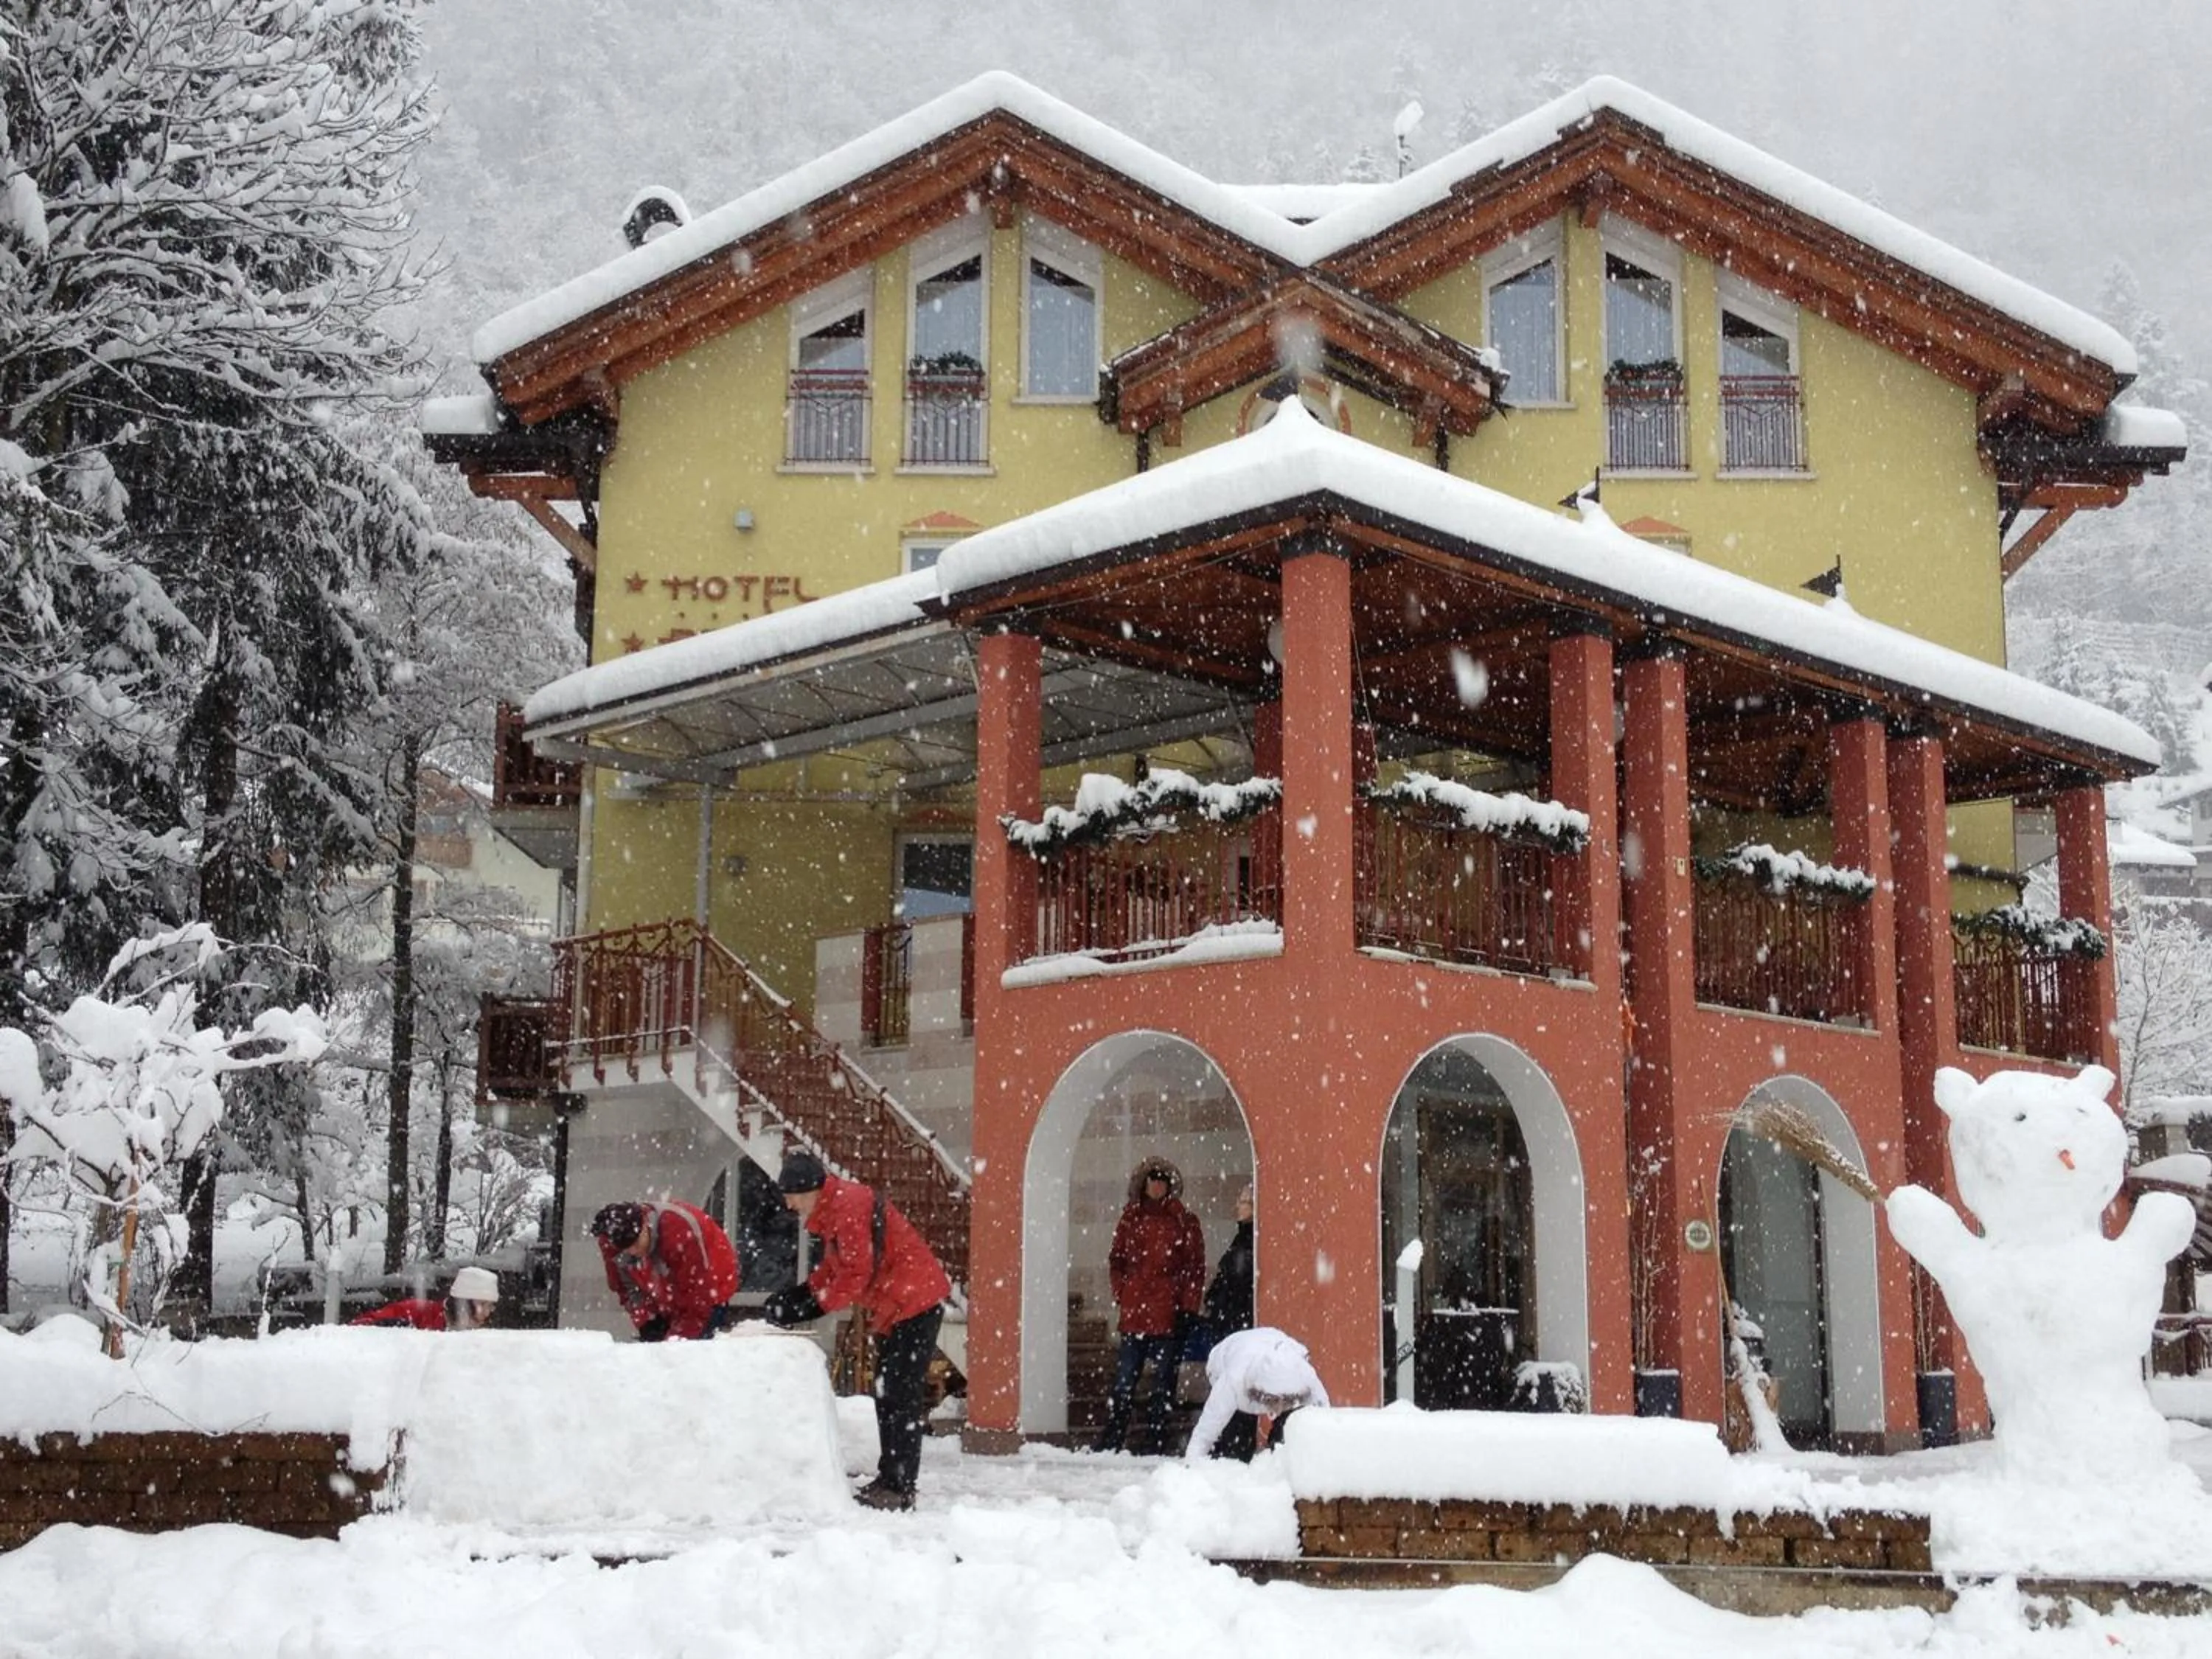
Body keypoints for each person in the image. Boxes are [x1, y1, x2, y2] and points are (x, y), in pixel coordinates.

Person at [763, 1150, 951, 1512]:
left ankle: (900, 1486)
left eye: (791, 1195)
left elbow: (855, 1274)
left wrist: (814, 1305)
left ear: (811, 1189)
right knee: (889, 1392)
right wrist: (802, 1293)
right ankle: (891, 1478)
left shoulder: (848, 1207)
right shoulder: (836, 1206)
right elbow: (836, 1267)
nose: (789, 1204)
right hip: (900, 1306)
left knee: (899, 1395)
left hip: (916, 1303)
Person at [1096, 1156, 1206, 1455]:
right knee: (1125, 1382)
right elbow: (1116, 1260)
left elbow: (1194, 1267)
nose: (1156, 1185)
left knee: (1162, 1384)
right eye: (1152, 1179)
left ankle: (1157, 1439)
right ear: (1144, 1185)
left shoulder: (1183, 1220)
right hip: (1135, 1314)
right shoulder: (1130, 1218)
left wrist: (1186, 1308)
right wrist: (1124, 1291)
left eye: (1162, 1180)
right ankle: (1115, 1437)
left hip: (1167, 1314)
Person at [589, 1198, 740, 1340]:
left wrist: (676, 1340)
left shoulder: (682, 1231)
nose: (633, 1252)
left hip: (711, 1293)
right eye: (626, 1249)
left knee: (687, 1354)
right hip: (666, 1299)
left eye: (635, 1244)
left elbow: (700, 1299)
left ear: (644, 1224)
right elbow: (626, 1288)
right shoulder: (612, 1242)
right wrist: (646, 1320)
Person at [1185, 1325, 1329, 1464]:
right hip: (1226, 1359)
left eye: (1286, 1400)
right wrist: (1191, 1465)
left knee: (1289, 1429)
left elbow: (1324, 1415)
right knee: (1237, 1446)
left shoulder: (1304, 1376)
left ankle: (1279, 1462)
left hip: (1264, 1344)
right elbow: (1206, 1431)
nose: (1278, 1408)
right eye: (1273, 1400)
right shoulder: (1234, 1381)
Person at [349, 1265, 501, 1332]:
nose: (488, 1312)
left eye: (491, 1306)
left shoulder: (482, 1340)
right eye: (483, 1304)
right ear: (464, 1302)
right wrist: (385, 1327)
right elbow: (356, 1329)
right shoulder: (417, 1312)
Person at [1202, 1183, 1255, 1338]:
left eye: (1243, 1201)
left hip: (1235, 1321)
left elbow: (1237, 1279)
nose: (1237, 1205)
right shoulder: (1242, 1238)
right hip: (1231, 1320)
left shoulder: (1248, 1240)